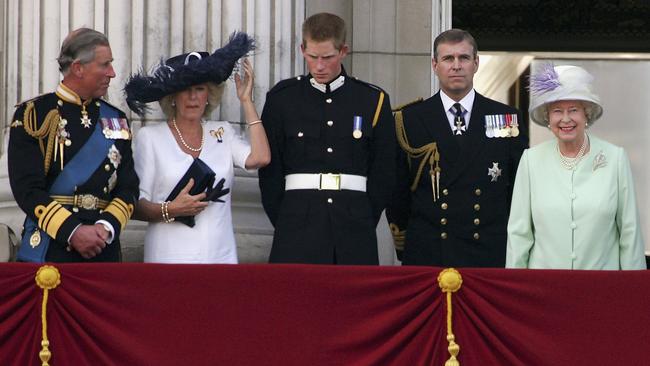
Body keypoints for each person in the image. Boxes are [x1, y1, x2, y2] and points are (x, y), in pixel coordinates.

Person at [258, 13, 396, 265]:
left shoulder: (372, 101)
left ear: (343, 51)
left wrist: (363, 215)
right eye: (312, 57)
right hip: (296, 224)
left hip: (353, 225)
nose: (319, 66)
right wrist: (287, 218)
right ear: (302, 49)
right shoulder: (282, 99)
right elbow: (271, 171)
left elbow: (383, 171)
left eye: (327, 57)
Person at [386, 29, 527, 267]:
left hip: (488, 252)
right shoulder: (408, 119)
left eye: (463, 58)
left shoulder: (505, 118)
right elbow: (397, 192)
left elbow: (518, 189)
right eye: (448, 59)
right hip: (430, 251)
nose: (456, 66)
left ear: (476, 63)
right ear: (435, 64)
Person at [124, 32, 269, 264]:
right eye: (185, 90)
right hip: (168, 259)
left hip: (220, 258)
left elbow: (260, 158)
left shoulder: (222, 132)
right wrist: (171, 209)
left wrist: (247, 102)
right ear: (172, 97)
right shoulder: (150, 138)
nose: (192, 97)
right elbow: (135, 205)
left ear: (209, 95)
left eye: (200, 89)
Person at [8, 28, 139, 262]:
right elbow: (26, 188)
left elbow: (128, 187)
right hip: (52, 248)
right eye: (105, 65)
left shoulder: (116, 119)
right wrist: (73, 232)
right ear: (78, 68)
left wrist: (106, 227)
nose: (112, 73)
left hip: (103, 249)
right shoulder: (33, 114)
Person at [506, 64, 645, 270]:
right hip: (544, 289)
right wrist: (515, 290)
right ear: (548, 118)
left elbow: (629, 231)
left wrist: (633, 290)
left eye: (573, 110)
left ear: (586, 115)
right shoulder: (531, 160)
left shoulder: (615, 158)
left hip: (600, 288)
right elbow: (519, 234)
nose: (565, 119)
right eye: (557, 111)